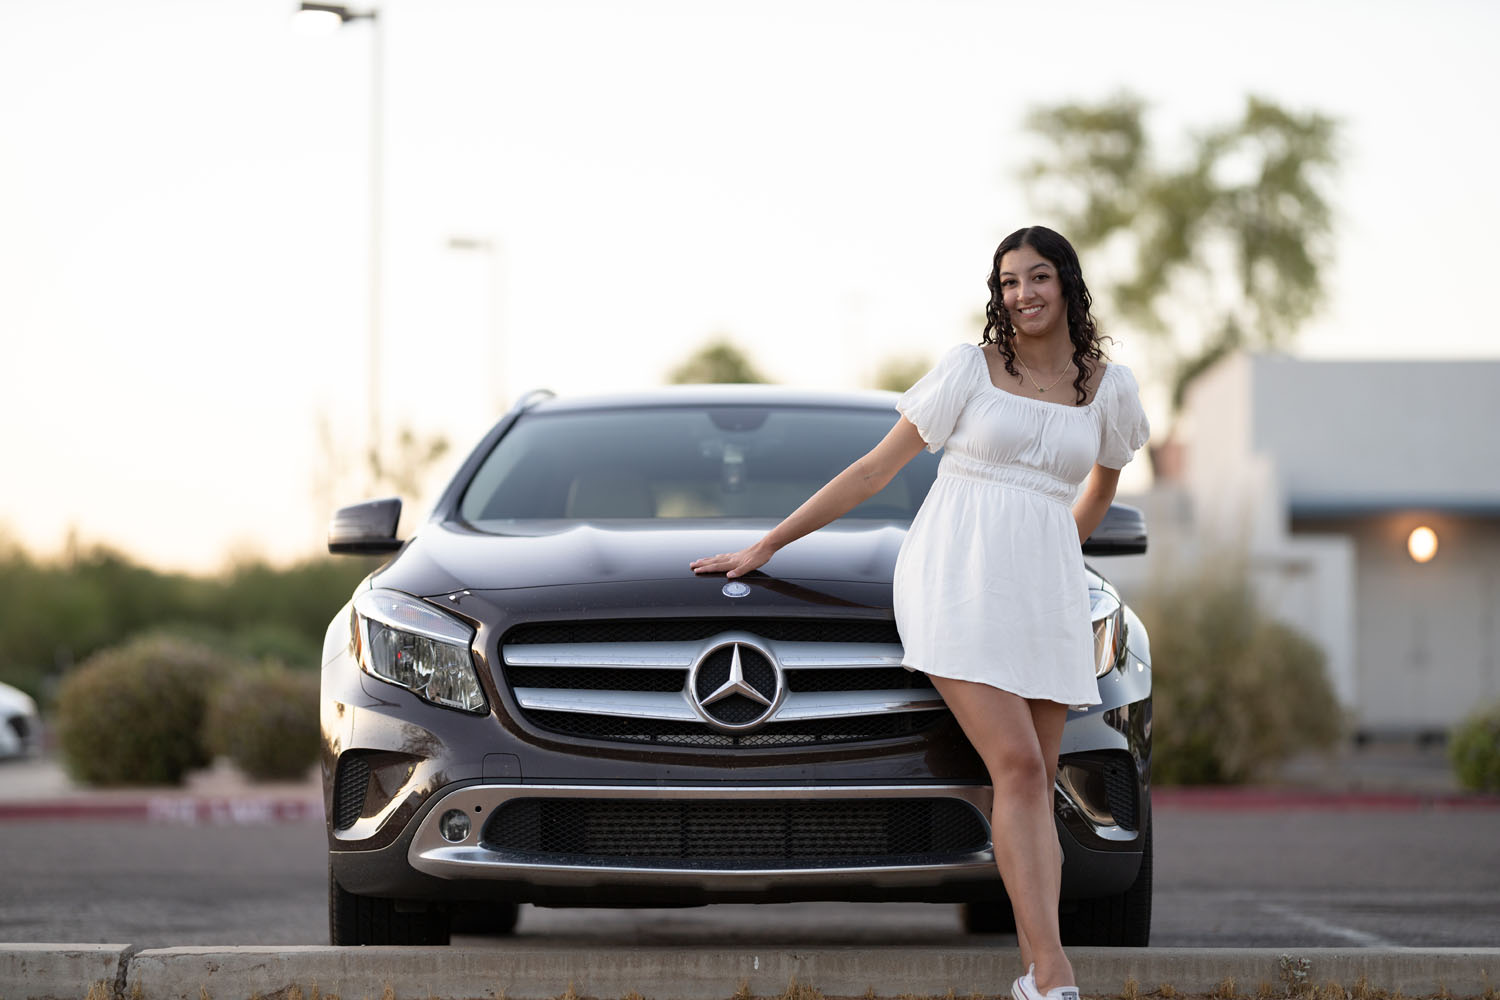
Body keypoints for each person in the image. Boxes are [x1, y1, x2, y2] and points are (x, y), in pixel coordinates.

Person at [690, 225, 1150, 1000]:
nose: (1022, 295)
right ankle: (1050, 971)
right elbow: (875, 469)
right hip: (957, 576)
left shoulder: (1108, 386)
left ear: (1067, 284)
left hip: (1044, 588)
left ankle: (1045, 967)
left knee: (1036, 780)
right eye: (1008, 282)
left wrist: (1055, 556)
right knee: (1018, 766)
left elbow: (1101, 488)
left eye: (1037, 278)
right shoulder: (969, 370)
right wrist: (766, 546)